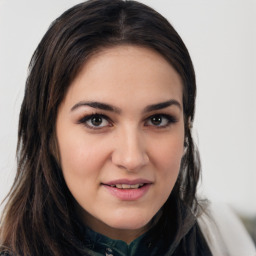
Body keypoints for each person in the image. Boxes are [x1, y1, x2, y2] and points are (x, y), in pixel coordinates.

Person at [0, 0, 255, 255]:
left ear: (186, 130)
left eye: (158, 119)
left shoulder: (229, 239)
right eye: (96, 120)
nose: (132, 159)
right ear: (47, 134)